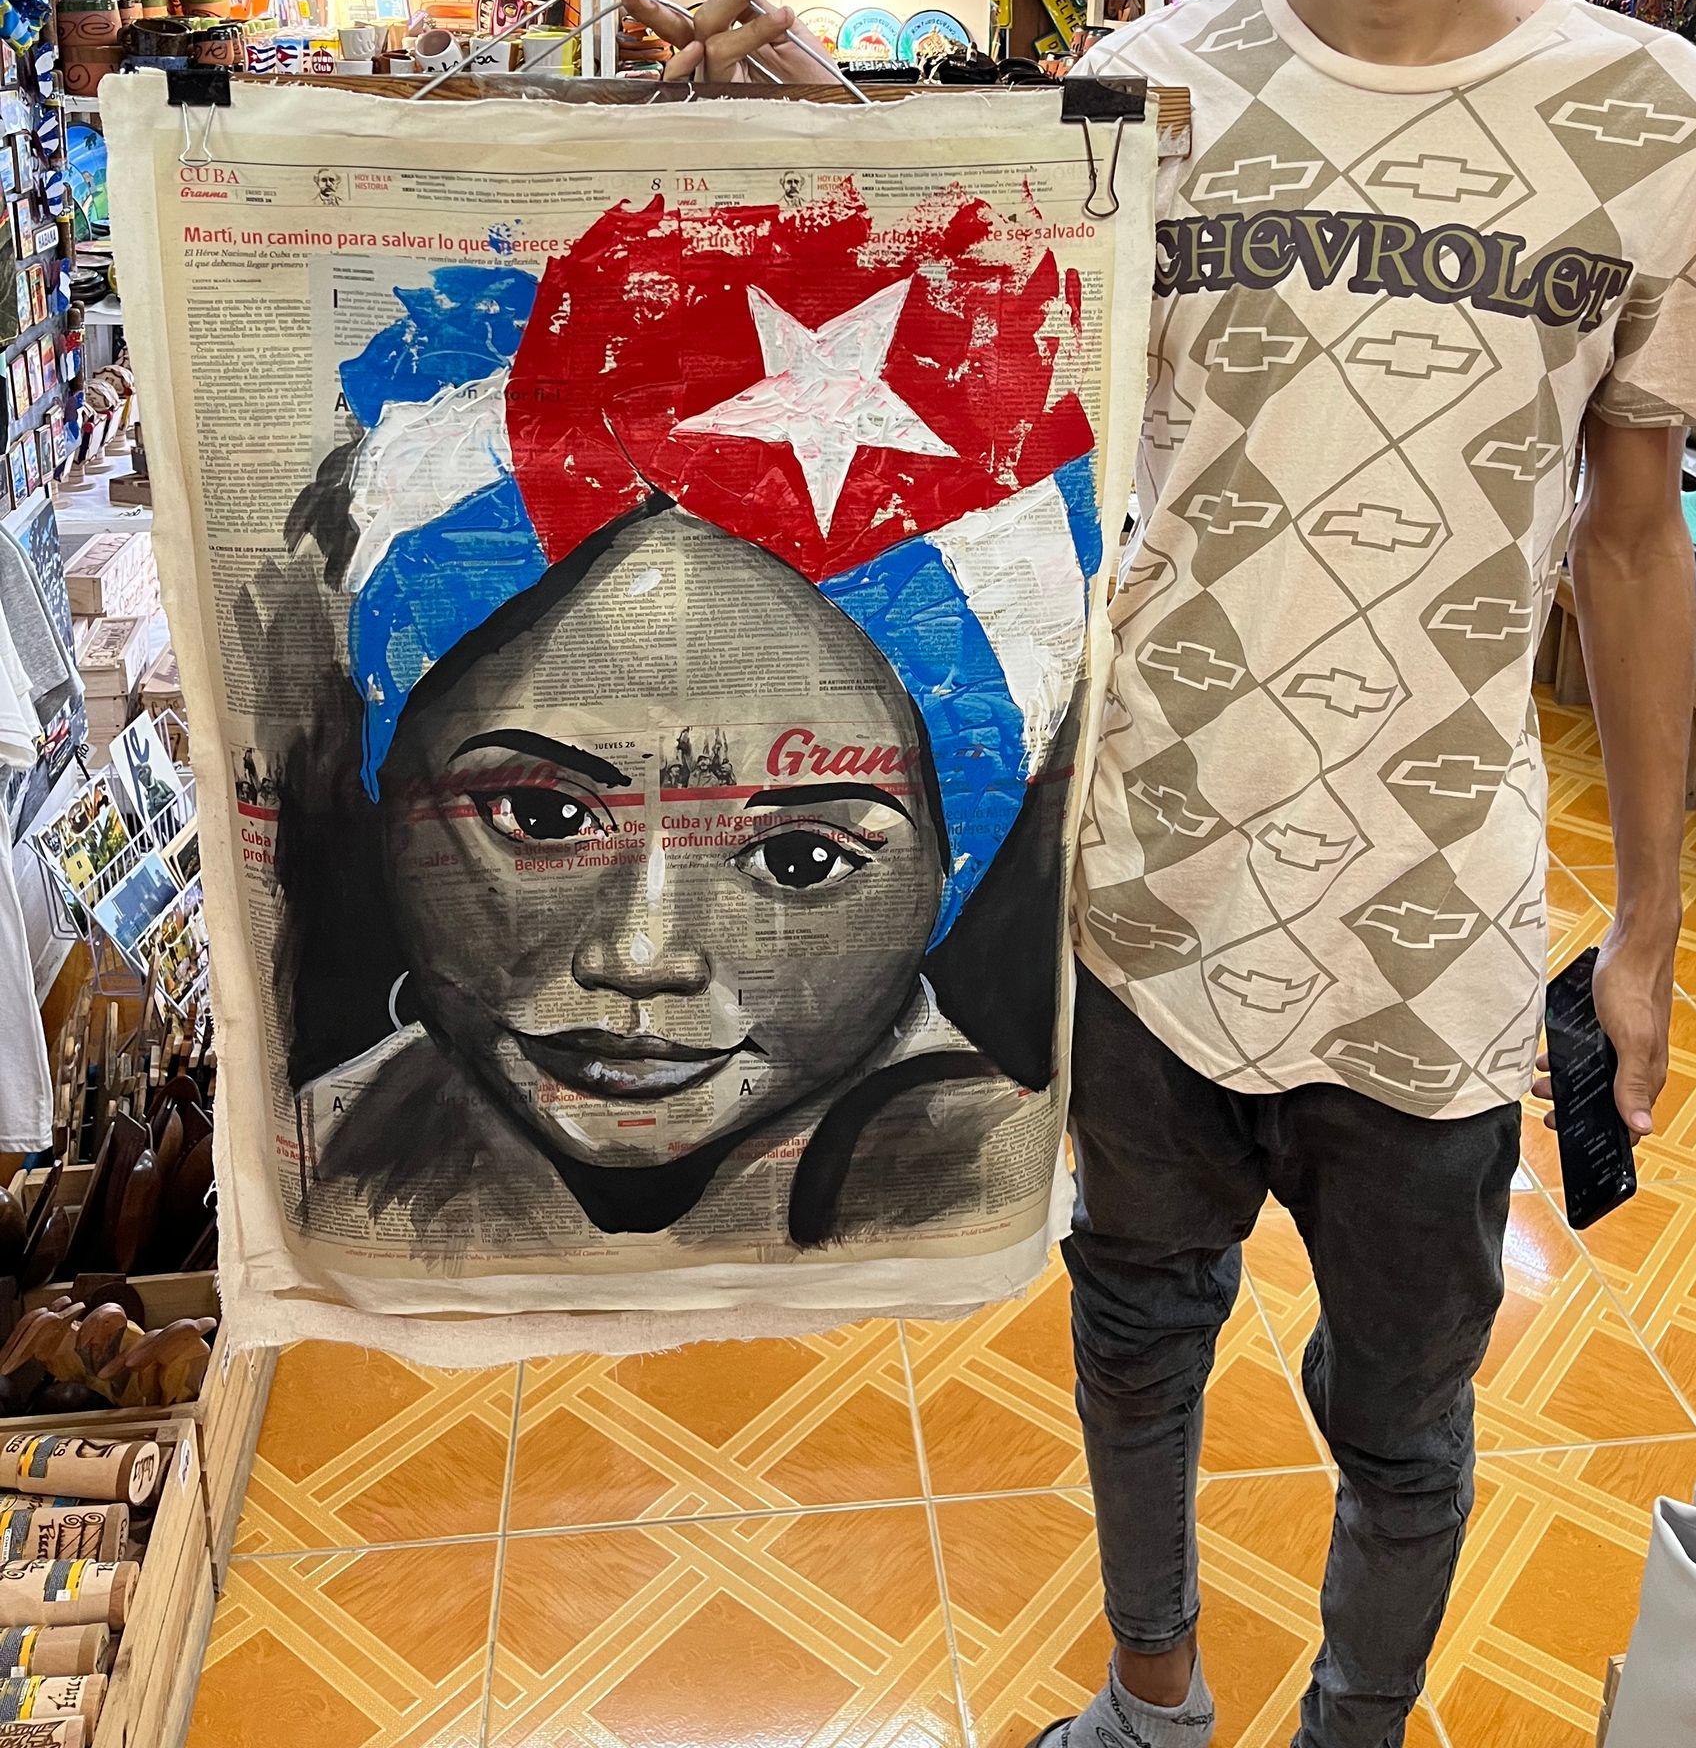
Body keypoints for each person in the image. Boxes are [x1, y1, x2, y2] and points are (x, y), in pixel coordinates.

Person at [616, 0, 1696, 1748]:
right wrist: (788, 167)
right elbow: (962, 421)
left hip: (1437, 943)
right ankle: (1150, 1699)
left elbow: (1640, 544)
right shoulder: (1129, 100)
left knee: (1411, 1412)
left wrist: (1645, 934)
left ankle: (1350, 1720)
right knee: (1134, 1331)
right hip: (1144, 898)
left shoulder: (1658, 125)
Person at [246, 193, 1097, 1259]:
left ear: (947, 869)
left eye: (797, 855)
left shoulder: (974, 1186)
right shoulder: (331, 1159)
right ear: (394, 783)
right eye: (542, 817)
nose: (642, 954)